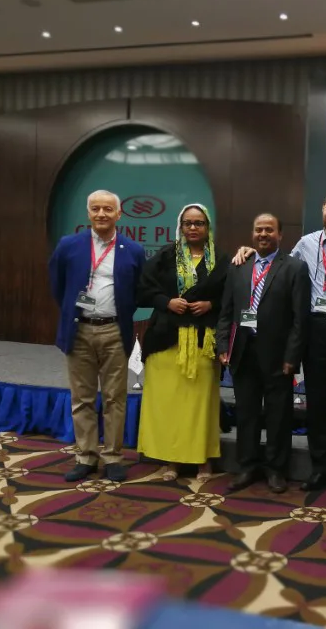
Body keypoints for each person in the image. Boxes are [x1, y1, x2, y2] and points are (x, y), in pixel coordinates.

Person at [232, 188, 326, 496]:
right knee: (318, 402)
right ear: (322, 209)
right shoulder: (305, 244)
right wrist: (249, 251)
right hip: (314, 329)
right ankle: (321, 467)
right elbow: (275, 266)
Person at [48, 189, 145, 482]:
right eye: (96, 208)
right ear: (88, 212)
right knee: (82, 398)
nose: (101, 214)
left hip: (115, 330)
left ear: (119, 214)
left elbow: (138, 291)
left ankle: (113, 457)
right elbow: (57, 285)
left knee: (115, 398)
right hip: (79, 330)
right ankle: (86, 456)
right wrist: (73, 310)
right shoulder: (69, 245)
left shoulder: (133, 250)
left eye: (107, 209)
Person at [217, 214, 310, 494]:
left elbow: (300, 319)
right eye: (259, 229)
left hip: (278, 356)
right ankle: (247, 466)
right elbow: (226, 311)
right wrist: (223, 346)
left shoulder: (294, 268)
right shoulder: (239, 266)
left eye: (269, 230)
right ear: (252, 234)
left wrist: (292, 357)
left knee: (278, 416)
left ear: (280, 235)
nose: (263, 234)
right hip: (243, 352)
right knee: (246, 413)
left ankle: (276, 469)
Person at [136, 204, 228, 482]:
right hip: (166, 342)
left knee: (200, 406)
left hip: (202, 343)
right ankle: (171, 461)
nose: (193, 228)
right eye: (188, 223)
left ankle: (203, 461)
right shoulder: (166, 256)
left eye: (199, 223)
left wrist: (211, 304)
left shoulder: (222, 259)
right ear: (181, 226)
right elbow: (143, 290)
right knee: (170, 404)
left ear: (208, 227)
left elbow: (233, 297)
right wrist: (167, 302)